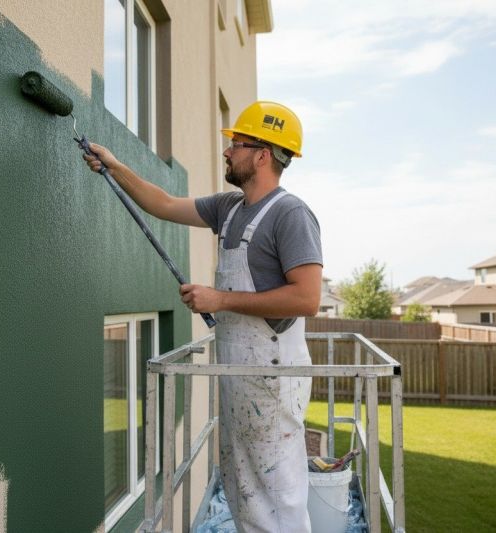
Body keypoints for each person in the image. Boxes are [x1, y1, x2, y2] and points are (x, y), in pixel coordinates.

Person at [83, 101, 322, 532]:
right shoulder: (229, 207)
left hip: (272, 375)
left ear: (263, 155)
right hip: (238, 371)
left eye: (237, 144)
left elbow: (307, 298)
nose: (227, 151)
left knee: (277, 492)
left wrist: (220, 299)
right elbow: (164, 203)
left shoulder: (290, 214)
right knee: (243, 486)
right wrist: (115, 168)